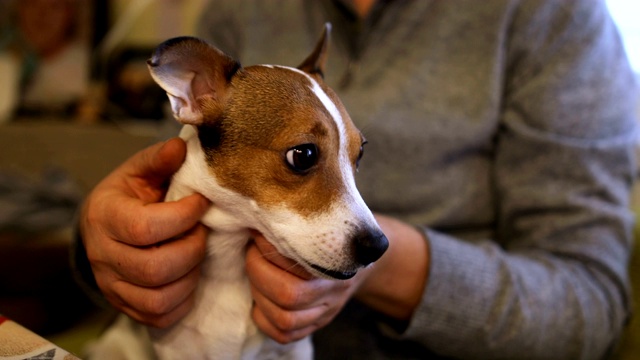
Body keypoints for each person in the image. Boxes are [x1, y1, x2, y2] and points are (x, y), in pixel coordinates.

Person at [74, 0, 639, 358]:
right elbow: (179, 174)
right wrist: (96, 246)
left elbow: (590, 310)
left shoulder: (556, 17)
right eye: (302, 158)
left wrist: (388, 270)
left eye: (353, 157)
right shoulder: (231, 17)